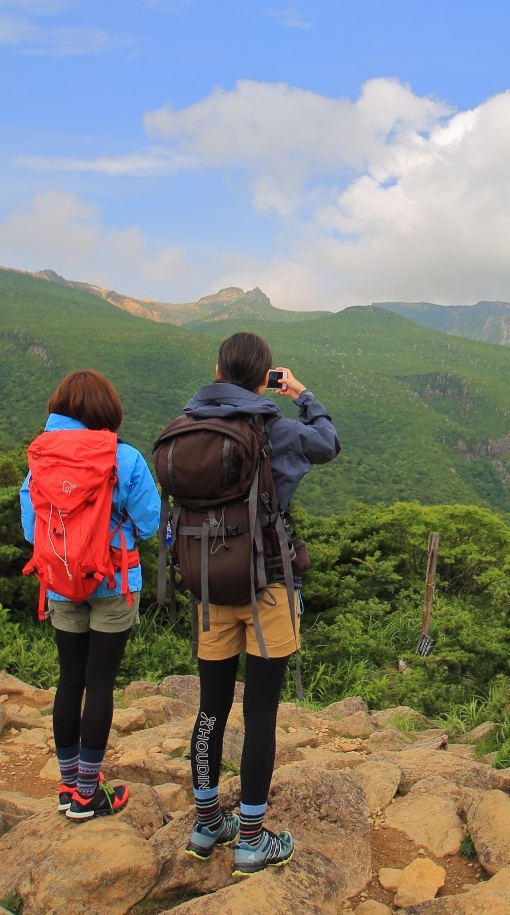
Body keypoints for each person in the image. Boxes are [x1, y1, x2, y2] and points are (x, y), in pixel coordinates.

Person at [179, 332, 339, 874]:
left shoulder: (190, 428)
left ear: (217, 370)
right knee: (260, 713)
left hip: (207, 585)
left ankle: (206, 825)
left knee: (210, 709)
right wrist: (302, 392)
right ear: (265, 377)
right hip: (267, 584)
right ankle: (251, 838)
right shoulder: (278, 428)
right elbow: (329, 443)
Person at [21, 369, 161, 820]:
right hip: (114, 583)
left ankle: (68, 787)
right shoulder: (126, 458)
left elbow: (31, 528)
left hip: (60, 581)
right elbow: (148, 524)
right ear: (106, 410)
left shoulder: (40, 459)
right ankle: (88, 793)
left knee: (69, 679)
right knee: (100, 683)